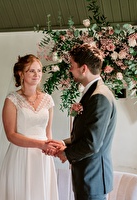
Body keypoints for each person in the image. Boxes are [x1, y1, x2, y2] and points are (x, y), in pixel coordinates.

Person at [48, 43, 117, 200]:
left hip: (92, 178)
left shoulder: (99, 97)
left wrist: (66, 153)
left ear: (83, 68)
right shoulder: (94, 93)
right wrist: (62, 143)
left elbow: (92, 143)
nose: (70, 69)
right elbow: (85, 134)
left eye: (72, 65)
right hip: (89, 178)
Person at [0, 54, 60, 200]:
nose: (36, 74)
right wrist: (40, 144)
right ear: (21, 74)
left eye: (39, 70)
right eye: (31, 70)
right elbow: (11, 135)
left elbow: (48, 130)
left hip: (43, 157)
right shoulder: (12, 100)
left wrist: (50, 149)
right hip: (21, 155)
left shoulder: (47, 99)